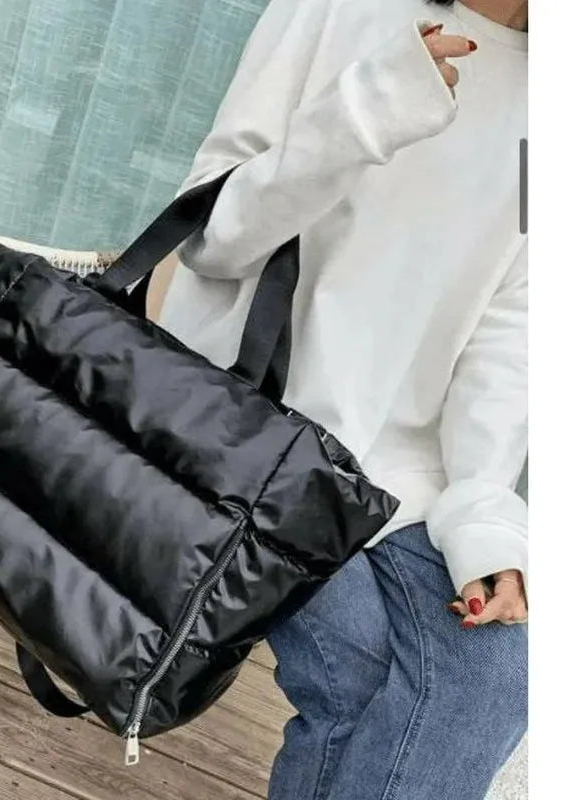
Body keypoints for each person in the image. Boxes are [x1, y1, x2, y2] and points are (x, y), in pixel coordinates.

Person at [156, 1, 528, 797]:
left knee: (499, 683)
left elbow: (511, 329)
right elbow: (209, 236)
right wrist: (367, 109)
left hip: (403, 477)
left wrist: (486, 513)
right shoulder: (340, 10)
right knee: (362, 677)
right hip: (250, 428)